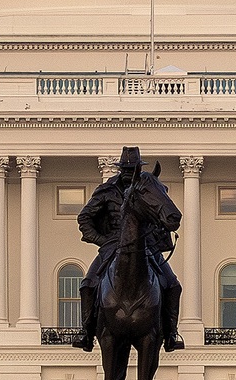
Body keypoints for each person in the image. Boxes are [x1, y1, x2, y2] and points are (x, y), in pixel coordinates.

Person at [76, 146, 183, 354]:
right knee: (88, 284)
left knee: (173, 284)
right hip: (111, 246)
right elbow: (85, 218)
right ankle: (87, 332)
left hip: (146, 245)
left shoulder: (149, 186)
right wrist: (103, 240)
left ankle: (171, 333)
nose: (128, 173)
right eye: (125, 169)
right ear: (119, 169)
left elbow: (161, 210)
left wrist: (160, 231)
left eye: (132, 168)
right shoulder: (107, 190)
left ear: (138, 168)